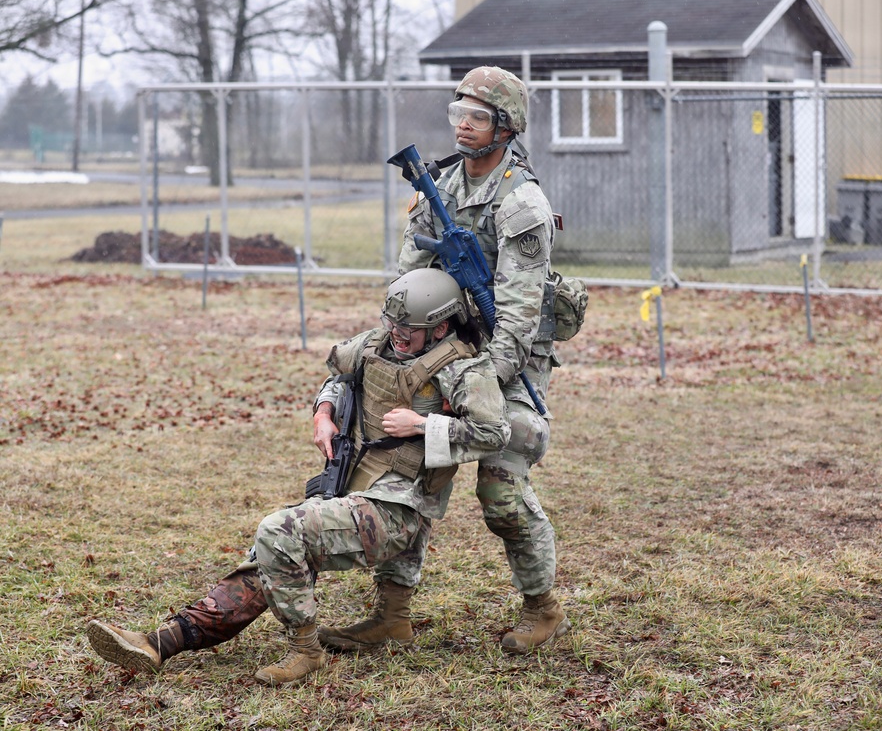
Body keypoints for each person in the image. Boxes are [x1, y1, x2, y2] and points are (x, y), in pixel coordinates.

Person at [86, 268, 510, 686]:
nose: (396, 334)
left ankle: (307, 651)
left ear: (440, 327)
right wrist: (323, 413)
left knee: (279, 532)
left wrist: (422, 425)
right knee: (269, 553)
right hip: (355, 486)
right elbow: (338, 375)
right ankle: (164, 641)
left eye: (408, 329)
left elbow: (494, 432)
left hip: (399, 511)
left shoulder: (463, 370)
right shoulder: (375, 344)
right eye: (392, 322)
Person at [321, 65, 569, 656]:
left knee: (502, 491)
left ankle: (543, 608)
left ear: (506, 127)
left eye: (477, 117)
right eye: (458, 113)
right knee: (405, 470)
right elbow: (408, 284)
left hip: (505, 359)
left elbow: (518, 318)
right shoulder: (438, 187)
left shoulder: (522, 203)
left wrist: (478, 385)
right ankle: (392, 615)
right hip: (440, 346)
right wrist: (403, 356)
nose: (463, 125)